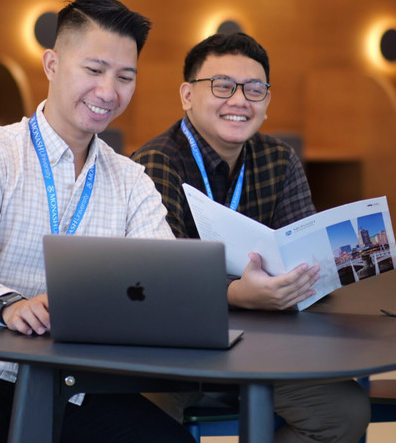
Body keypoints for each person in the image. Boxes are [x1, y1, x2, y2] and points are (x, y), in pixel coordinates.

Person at [0, 0, 195, 443]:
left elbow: (160, 279)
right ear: (52, 65)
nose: (108, 92)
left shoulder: (131, 180)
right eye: (94, 70)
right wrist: (11, 304)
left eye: (124, 77)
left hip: (74, 385)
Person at [131, 32, 370, 443]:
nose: (240, 100)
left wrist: (311, 272)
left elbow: (304, 254)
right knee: (141, 422)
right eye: (222, 86)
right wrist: (236, 293)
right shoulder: (156, 162)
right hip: (177, 348)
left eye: (254, 89)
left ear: (266, 101)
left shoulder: (279, 159)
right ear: (187, 95)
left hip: (267, 342)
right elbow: (161, 276)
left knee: (344, 415)